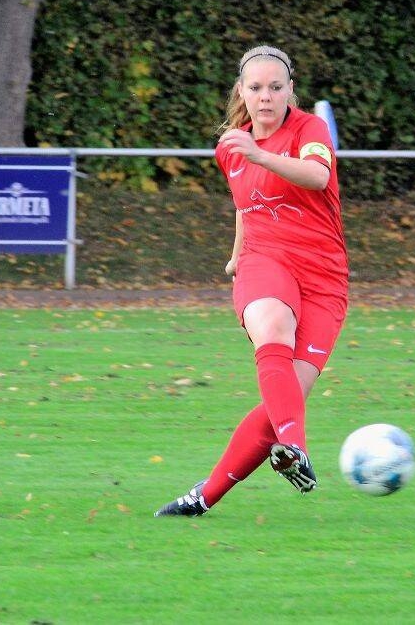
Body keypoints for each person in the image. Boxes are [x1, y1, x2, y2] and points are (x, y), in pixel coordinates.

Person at [154, 45, 349, 517]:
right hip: (264, 261)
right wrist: (237, 254)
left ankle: (204, 496)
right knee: (273, 328)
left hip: (324, 275)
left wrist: (260, 155)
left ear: (289, 90)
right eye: (256, 87)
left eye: (275, 87)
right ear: (241, 91)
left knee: (286, 395)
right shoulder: (231, 146)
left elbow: (316, 176)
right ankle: (296, 449)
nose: (266, 96)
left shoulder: (309, 129)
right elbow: (245, 204)